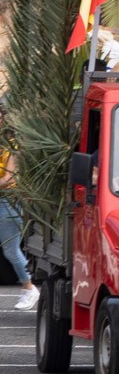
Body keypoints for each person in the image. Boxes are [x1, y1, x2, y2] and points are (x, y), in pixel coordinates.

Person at [0, 102, 39, 311]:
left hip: (8, 200)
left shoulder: (11, 146)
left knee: (11, 249)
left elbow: (9, 179)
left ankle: (29, 287)